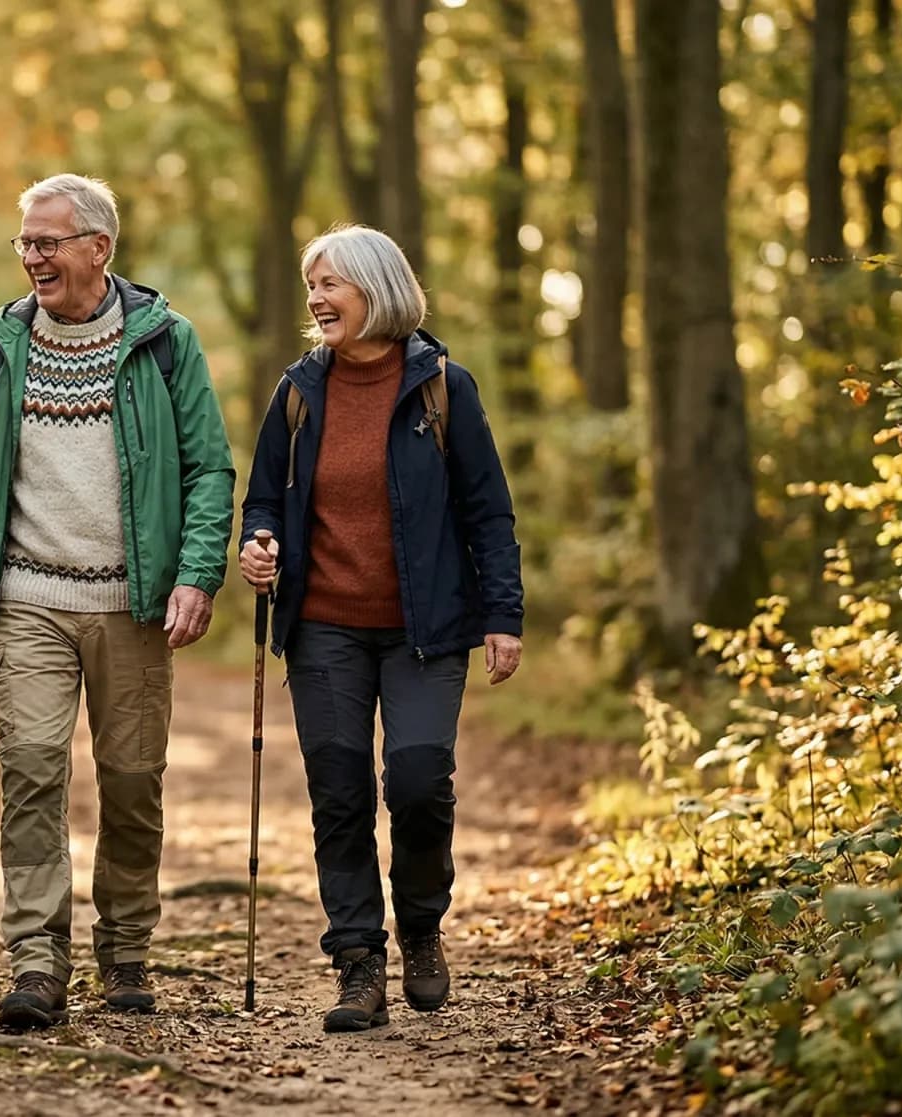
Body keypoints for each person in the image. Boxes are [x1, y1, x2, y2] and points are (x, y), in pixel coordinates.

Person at [0, 174, 235, 1029]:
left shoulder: (166, 342)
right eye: (25, 243)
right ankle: (37, 961)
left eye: (48, 241)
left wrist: (196, 572)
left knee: (133, 779)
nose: (32, 256)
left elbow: (210, 467)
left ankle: (128, 949)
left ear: (98, 248)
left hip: (133, 601)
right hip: (28, 596)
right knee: (30, 767)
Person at [237, 224, 524, 1033]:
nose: (317, 299)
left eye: (331, 283)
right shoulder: (298, 392)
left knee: (419, 777)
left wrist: (504, 614)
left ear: (378, 287)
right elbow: (264, 496)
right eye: (311, 285)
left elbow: (488, 512)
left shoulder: (443, 388)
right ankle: (359, 960)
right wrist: (260, 544)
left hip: (426, 628)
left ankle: (423, 925)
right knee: (340, 790)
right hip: (324, 623)